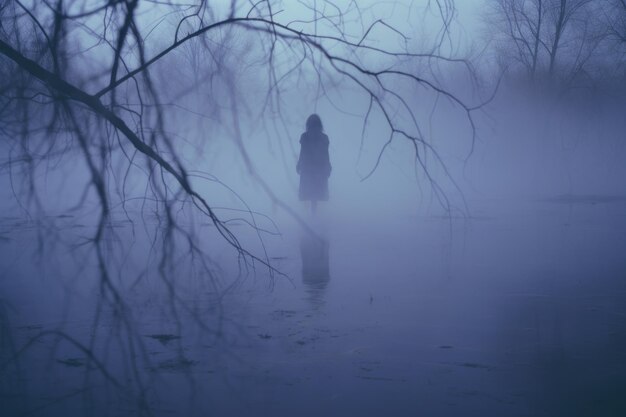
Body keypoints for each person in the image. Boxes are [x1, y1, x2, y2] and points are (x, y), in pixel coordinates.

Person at [296, 114, 331, 213]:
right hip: (319, 167)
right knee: (315, 191)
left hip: (308, 168)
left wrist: (299, 164)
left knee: (311, 191)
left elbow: (302, 152)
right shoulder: (323, 137)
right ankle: (313, 213)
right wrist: (328, 166)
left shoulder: (305, 136)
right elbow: (326, 154)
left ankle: (313, 213)